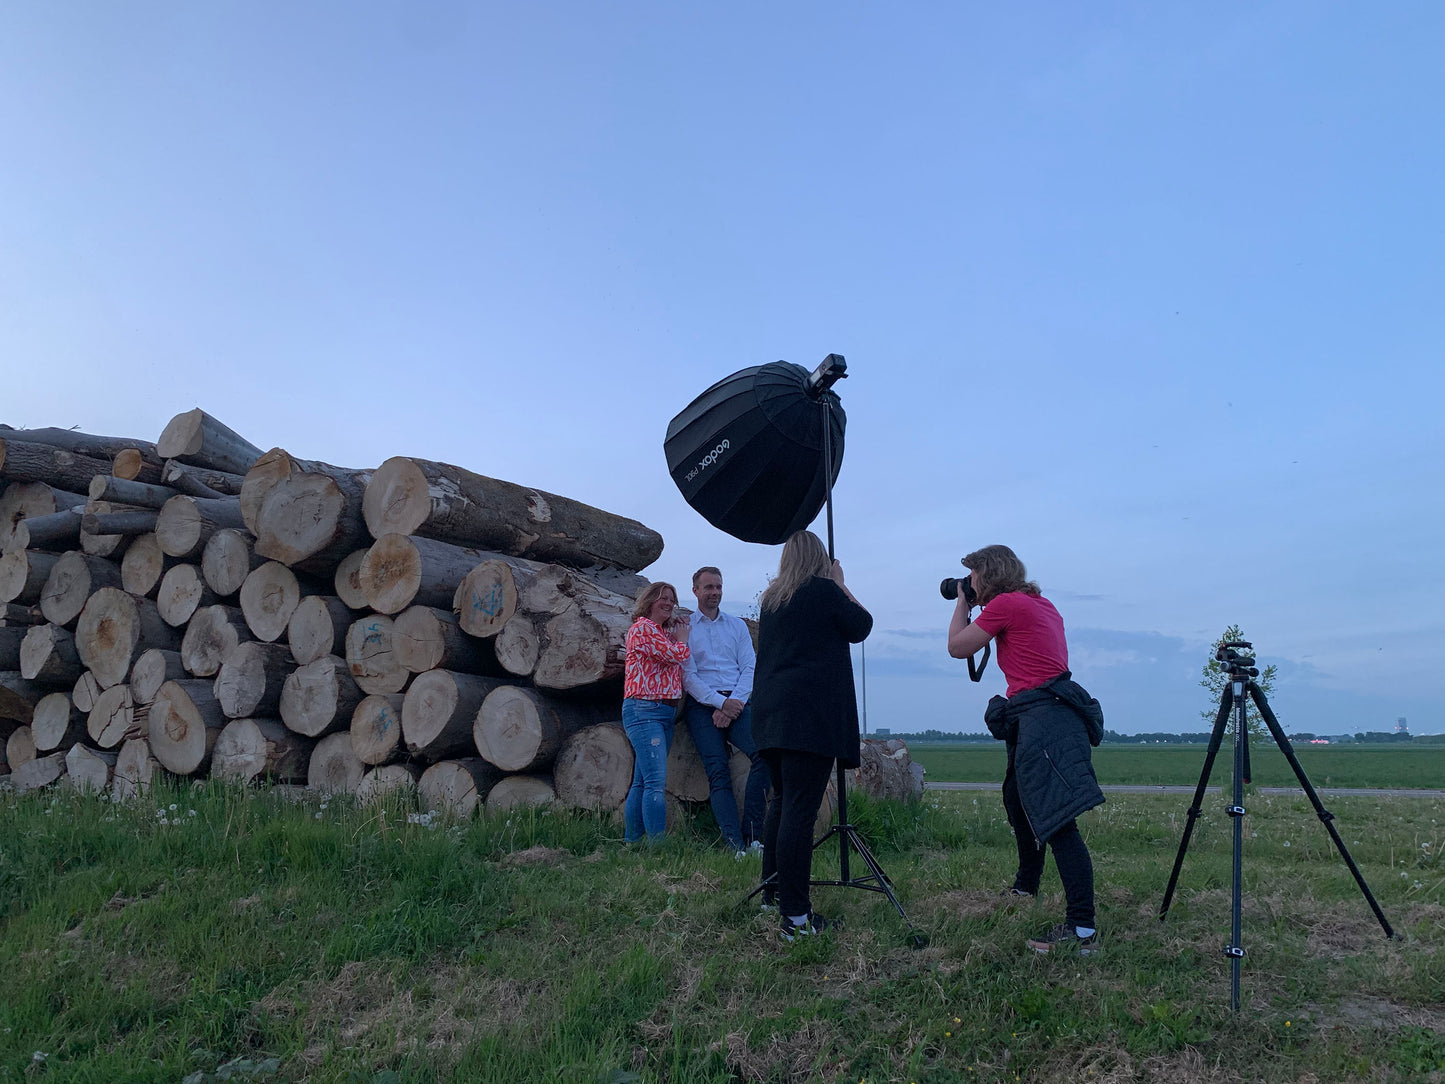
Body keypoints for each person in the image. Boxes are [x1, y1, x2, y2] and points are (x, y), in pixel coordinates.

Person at [947, 544, 1106, 955]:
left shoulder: (1007, 606)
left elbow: (957, 647)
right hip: (1045, 713)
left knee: (1057, 821)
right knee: (1021, 803)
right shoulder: (1040, 604)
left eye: (974, 576)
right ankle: (1025, 887)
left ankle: (1082, 931)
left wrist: (963, 603)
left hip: (1044, 719)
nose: (972, 583)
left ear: (989, 575)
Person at [752, 530, 873, 940]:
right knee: (800, 812)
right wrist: (841, 584)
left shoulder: (772, 600)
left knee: (782, 804)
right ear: (821, 558)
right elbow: (861, 625)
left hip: (771, 715)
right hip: (809, 718)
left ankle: (772, 893)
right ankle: (796, 919)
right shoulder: (823, 591)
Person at [681, 566, 767, 856]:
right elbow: (688, 676)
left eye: (718, 587)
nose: (714, 592)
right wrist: (719, 703)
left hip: (738, 701)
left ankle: (754, 836)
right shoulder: (686, 628)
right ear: (695, 591)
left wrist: (734, 705)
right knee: (718, 770)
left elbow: (749, 667)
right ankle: (734, 845)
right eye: (708, 587)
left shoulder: (737, 626)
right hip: (703, 705)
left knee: (764, 755)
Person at [622, 581, 690, 843]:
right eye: (663, 598)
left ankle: (633, 842)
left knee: (642, 781)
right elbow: (675, 656)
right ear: (649, 600)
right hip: (645, 709)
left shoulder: (661, 632)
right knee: (655, 782)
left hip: (663, 712)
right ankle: (657, 846)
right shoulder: (642, 628)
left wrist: (677, 629)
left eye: (672, 599)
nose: (668, 603)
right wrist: (682, 640)